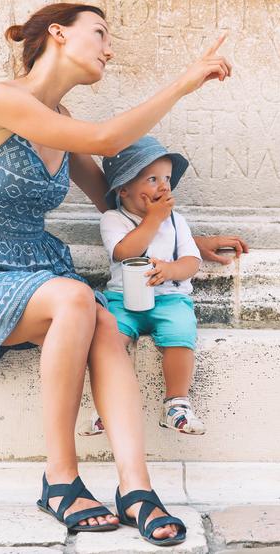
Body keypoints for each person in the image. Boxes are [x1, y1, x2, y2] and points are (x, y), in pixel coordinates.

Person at [0, 2, 244, 545]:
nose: (108, 47)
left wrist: (190, 239)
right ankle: (60, 477)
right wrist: (183, 84)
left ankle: (136, 488)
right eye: (99, 33)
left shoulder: (63, 122)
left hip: (39, 272)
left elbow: (109, 201)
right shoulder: (2, 100)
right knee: (78, 299)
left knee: (101, 319)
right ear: (57, 34)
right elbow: (104, 139)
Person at [99, 136, 207, 435]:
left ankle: (176, 404)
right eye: (152, 179)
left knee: (181, 333)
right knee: (108, 338)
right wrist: (154, 219)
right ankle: (109, 404)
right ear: (124, 190)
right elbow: (123, 252)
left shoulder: (177, 222)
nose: (164, 186)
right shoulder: (113, 219)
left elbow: (192, 261)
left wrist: (171, 269)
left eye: (167, 179)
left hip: (169, 298)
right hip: (123, 299)